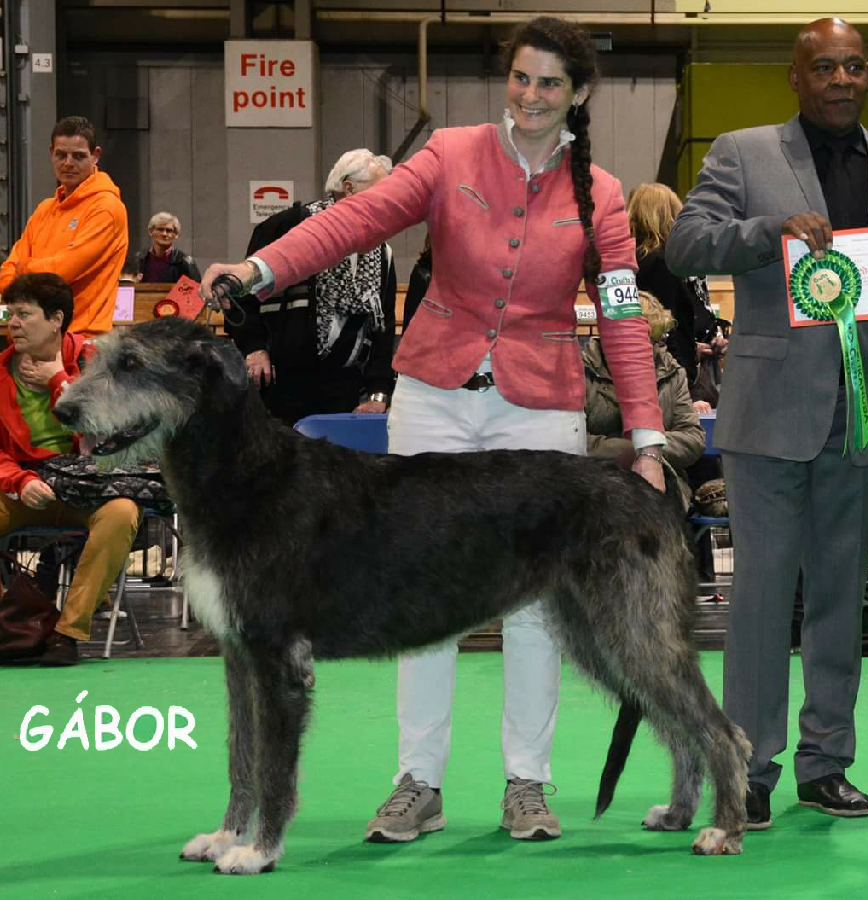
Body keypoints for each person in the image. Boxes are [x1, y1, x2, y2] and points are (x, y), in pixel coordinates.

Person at [201, 15, 666, 845]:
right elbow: (354, 221)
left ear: (578, 94)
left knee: (538, 604)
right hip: (434, 394)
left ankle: (527, 782)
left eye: (550, 84)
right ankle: (419, 781)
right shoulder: (450, 153)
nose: (530, 96)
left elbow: (625, 320)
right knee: (416, 589)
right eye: (520, 78)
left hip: (540, 405)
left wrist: (648, 439)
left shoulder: (601, 195)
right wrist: (259, 270)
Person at [665, 16, 868, 829]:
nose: (841, 80)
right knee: (760, 598)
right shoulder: (742, 153)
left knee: (838, 599)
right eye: (825, 67)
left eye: (854, 66)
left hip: (861, 415)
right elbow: (685, 245)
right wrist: (765, 233)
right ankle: (747, 765)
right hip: (768, 415)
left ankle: (826, 762)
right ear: (796, 76)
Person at [0, 274, 141, 667]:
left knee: (122, 513)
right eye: (10, 314)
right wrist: (20, 479)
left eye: (24, 314)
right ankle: (13, 625)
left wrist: (59, 381)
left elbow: (110, 428)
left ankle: (67, 633)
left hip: (89, 488)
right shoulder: (0, 370)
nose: (13, 323)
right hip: (24, 487)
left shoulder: (95, 360)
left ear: (56, 318)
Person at [224, 149, 398, 425]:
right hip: (283, 381)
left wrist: (378, 391)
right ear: (349, 188)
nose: (387, 204)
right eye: (380, 193)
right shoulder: (288, 225)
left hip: (345, 388)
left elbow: (383, 325)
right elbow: (241, 295)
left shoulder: (382, 252)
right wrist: (253, 346)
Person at [0, 117, 129, 338]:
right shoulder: (44, 209)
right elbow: (7, 271)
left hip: (80, 338)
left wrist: (24, 268)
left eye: (78, 156)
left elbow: (61, 273)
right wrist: (22, 273)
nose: (68, 163)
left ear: (95, 155)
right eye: (61, 155)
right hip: (33, 336)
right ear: (51, 153)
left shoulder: (106, 208)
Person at [585, 291, 705, 514]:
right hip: (594, 483)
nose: (646, 349)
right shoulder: (581, 369)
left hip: (661, 484)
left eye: (654, 340)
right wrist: (636, 448)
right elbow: (575, 440)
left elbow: (692, 438)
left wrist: (651, 451)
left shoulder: (672, 372)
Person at [628, 182, 707, 384]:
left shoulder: (629, 261)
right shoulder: (662, 264)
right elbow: (666, 328)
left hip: (639, 367)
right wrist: (680, 380)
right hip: (668, 374)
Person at [132, 212, 201, 284]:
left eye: (169, 230)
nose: (164, 234)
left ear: (176, 235)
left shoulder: (186, 262)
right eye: (160, 229)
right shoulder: (138, 259)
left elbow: (195, 292)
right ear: (151, 231)